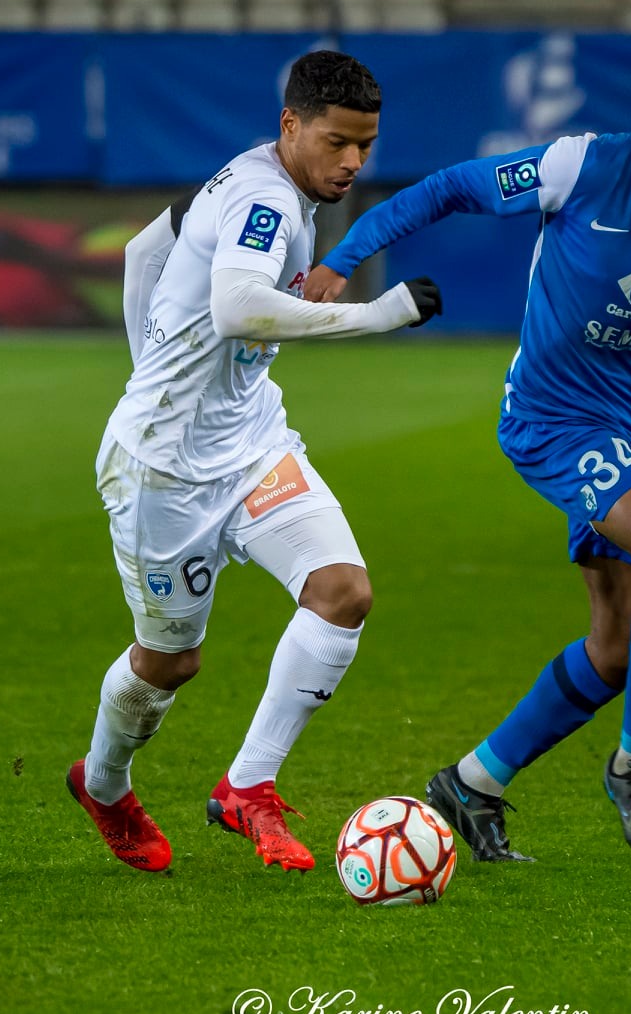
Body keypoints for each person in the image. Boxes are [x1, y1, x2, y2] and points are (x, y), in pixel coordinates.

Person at [305, 41, 631, 866]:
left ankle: (473, 783)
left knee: (619, 648)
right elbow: (451, 188)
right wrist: (343, 258)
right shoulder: (579, 167)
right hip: (554, 420)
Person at [66, 51, 443, 873]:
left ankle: (247, 785)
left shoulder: (262, 181)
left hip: (251, 445)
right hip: (161, 473)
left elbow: (142, 253)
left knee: (342, 591)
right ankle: (102, 782)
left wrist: (155, 370)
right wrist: (376, 316)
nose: (351, 162)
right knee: (170, 662)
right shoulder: (265, 196)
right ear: (290, 126)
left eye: (365, 146)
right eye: (337, 142)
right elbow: (237, 307)